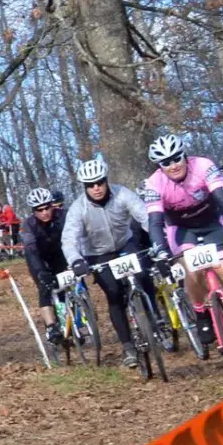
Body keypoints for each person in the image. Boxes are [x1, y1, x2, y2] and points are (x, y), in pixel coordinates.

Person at [142, 133, 223, 362]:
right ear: (159, 166)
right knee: (192, 271)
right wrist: (160, 250)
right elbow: (155, 222)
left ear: (185, 156)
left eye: (177, 158)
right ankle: (200, 311)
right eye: (166, 162)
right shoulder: (153, 183)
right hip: (182, 229)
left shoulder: (203, 166)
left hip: (213, 223)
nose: (173, 165)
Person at [62, 154, 155, 368]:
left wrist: (160, 238)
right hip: (98, 254)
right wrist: (76, 260)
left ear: (106, 180)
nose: (96, 188)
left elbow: (145, 216)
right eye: (90, 185)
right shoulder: (78, 208)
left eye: (100, 182)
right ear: (84, 187)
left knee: (143, 274)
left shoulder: (122, 193)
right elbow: (69, 239)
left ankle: (154, 318)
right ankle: (128, 347)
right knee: (113, 293)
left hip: (124, 244)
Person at [21, 187, 69, 346]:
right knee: (45, 287)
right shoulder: (29, 225)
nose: (44, 212)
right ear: (34, 211)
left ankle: (81, 314)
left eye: (47, 207)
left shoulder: (63, 215)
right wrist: (41, 271)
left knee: (70, 281)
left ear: (52, 205)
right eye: (39, 210)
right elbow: (31, 250)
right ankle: (51, 326)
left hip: (59, 254)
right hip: (39, 257)